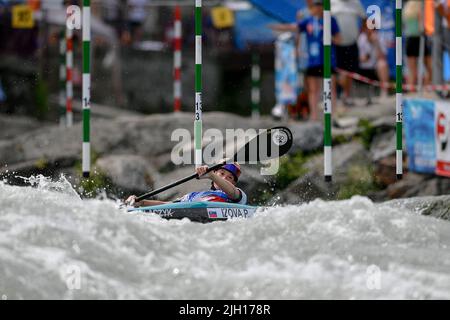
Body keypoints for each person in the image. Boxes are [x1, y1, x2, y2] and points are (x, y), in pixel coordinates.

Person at [269, 0, 341, 121]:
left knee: (329, 88)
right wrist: (276, 27)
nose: (316, 9)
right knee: (313, 89)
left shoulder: (330, 20)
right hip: (313, 60)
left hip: (328, 59)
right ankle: (314, 116)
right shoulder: (308, 21)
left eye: (319, 6)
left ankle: (332, 115)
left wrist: (329, 39)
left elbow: (339, 39)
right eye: (314, 6)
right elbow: (293, 27)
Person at [125, 163, 247, 207]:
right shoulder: (196, 195)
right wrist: (142, 203)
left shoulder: (238, 196)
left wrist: (211, 175)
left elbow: (232, 192)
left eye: (230, 177)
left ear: (233, 183)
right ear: (216, 172)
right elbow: (170, 205)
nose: (225, 178)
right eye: (221, 173)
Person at [331, 0, 366, 107]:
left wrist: (360, 33)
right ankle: (334, 98)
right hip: (335, 44)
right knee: (336, 73)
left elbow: (365, 19)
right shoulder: (331, 3)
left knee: (350, 71)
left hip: (352, 42)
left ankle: (346, 96)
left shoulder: (356, 3)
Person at [403, 0, 432, 88]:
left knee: (412, 70)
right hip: (419, 38)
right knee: (429, 67)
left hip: (409, 39)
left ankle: (412, 89)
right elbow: (421, 27)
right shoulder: (420, 7)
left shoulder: (407, 8)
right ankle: (427, 87)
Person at [357, 22, 390, 100]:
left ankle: (384, 91)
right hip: (363, 67)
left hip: (375, 67)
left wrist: (376, 43)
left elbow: (382, 56)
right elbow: (360, 58)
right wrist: (365, 57)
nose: (370, 31)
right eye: (368, 28)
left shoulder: (379, 38)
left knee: (382, 64)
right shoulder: (361, 38)